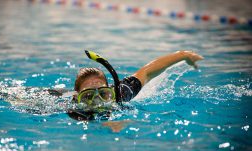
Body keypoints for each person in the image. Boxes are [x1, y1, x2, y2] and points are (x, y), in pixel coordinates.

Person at [67, 50, 203, 120]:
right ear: (76, 98)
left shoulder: (120, 94)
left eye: (103, 94)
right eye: (88, 95)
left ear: (111, 91)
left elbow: (147, 72)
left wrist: (183, 55)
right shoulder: (69, 108)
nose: (97, 101)